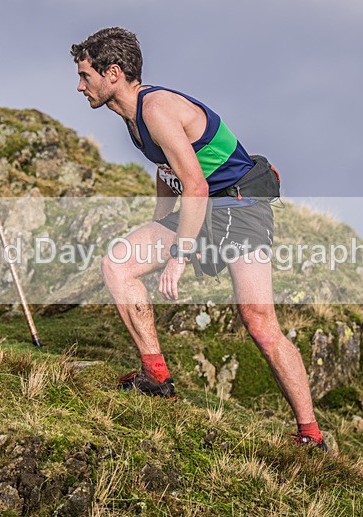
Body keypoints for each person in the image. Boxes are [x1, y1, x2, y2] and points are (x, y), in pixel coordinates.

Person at [71, 27, 327, 450]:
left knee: (260, 323)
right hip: (202, 204)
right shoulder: (132, 117)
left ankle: (310, 434)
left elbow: (196, 185)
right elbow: (167, 170)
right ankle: (156, 376)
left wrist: (177, 256)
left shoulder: (155, 110)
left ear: (112, 72)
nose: (80, 86)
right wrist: (157, 227)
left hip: (241, 204)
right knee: (119, 262)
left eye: (85, 75)